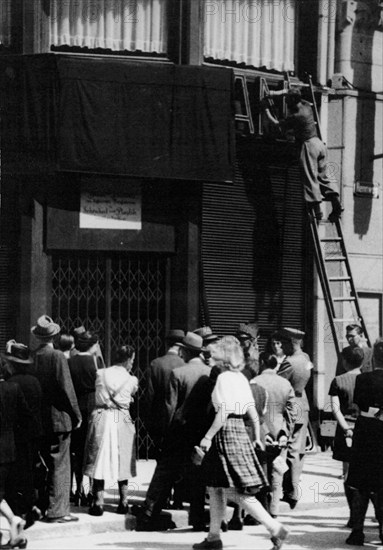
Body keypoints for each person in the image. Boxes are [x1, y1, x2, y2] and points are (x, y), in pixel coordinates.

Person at [194, 336, 289, 550]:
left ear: (224, 357)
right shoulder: (241, 378)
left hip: (225, 431)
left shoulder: (223, 379)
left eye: (212, 354)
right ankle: (213, 538)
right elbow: (253, 412)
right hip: (239, 432)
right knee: (217, 487)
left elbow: (224, 411)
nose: (208, 357)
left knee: (234, 490)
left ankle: (275, 528)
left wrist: (208, 436)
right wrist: (256, 436)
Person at [136, 332, 211, 531]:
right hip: (201, 432)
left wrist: (165, 433)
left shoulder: (179, 373)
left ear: (185, 351)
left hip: (179, 432)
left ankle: (148, 514)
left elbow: (170, 407)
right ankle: (197, 518)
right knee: (197, 476)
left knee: (164, 474)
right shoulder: (210, 372)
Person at [262, 88, 343, 223]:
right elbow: (294, 95)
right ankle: (336, 203)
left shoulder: (296, 116)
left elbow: (276, 124)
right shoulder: (307, 106)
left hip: (309, 146)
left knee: (309, 177)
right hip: (319, 144)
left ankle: (317, 212)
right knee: (323, 177)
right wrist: (277, 93)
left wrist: (266, 110)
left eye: (287, 99)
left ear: (293, 100)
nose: (286, 101)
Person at [31, 315, 82, 523]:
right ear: (55, 335)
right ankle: (58, 511)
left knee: (44, 463)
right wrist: (76, 414)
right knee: (60, 464)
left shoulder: (34, 356)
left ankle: (43, 505)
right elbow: (66, 388)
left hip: (40, 419)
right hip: (58, 418)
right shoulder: (58, 356)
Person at [83, 345, 138, 516]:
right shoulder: (132, 380)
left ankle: (98, 502)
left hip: (102, 416)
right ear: (128, 359)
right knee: (123, 457)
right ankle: (124, 501)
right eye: (132, 361)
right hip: (120, 416)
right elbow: (131, 395)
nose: (132, 364)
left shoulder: (101, 373)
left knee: (99, 458)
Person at [345, 337, 383, 546]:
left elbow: (360, 404)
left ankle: (357, 530)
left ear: (374, 357)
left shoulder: (362, 379)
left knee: (359, 483)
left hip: (366, 432)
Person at [2, 341, 43, 526]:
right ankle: (29, 507)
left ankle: (16, 511)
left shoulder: (11, 384)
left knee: (14, 478)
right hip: (30, 435)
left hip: (14, 437)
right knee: (28, 474)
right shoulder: (35, 381)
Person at [253, 352, 297, 518]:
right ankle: (274, 509)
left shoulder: (254, 382)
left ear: (262, 363)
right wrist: (286, 432)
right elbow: (292, 413)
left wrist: (263, 431)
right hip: (280, 432)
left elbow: (253, 411)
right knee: (277, 471)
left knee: (259, 469)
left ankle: (259, 508)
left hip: (259, 431)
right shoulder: (285, 383)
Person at [328, 346, 364, 529]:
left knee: (348, 474)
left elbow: (335, 409)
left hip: (346, 431)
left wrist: (346, 428)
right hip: (366, 428)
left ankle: (353, 516)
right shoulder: (366, 379)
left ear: (344, 361)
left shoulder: (338, 381)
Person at [277, 327, 312, 510]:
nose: (281, 346)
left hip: (291, 406)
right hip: (302, 404)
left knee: (289, 448)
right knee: (298, 450)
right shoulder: (306, 358)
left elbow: (280, 384)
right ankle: (294, 489)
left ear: (291, 343)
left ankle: (290, 491)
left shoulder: (289, 363)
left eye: (283, 343)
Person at [0, 356, 31, 549]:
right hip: (9, 447)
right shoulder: (13, 388)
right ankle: (14, 532)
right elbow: (26, 414)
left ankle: (13, 521)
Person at [68, 330, 98, 506]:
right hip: (93, 406)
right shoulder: (95, 362)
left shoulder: (70, 362)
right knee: (93, 450)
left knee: (76, 451)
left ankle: (77, 490)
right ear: (92, 345)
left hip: (76, 407)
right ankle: (93, 490)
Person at [142, 329, 185, 451]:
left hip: (159, 417)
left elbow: (149, 394)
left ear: (167, 344)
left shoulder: (156, 363)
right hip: (179, 418)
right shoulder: (184, 364)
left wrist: (148, 418)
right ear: (181, 347)